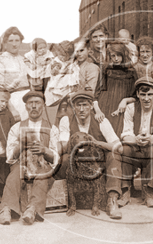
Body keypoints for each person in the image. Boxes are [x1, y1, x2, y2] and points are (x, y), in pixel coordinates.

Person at [55, 90, 123, 219]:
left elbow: (119, 148)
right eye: (78, 105)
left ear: (92, 106)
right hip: (76, 161)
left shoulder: (101, 121)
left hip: (97, 161)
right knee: (64, 159)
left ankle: (112, 200)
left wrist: (96, 143)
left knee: (114, 156)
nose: (81, 109)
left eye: (85, 105)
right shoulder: (66, 119)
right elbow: (63, 147)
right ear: (73, 107)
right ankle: (68, 199)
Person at [0, 91, 60, 225]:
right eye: (30, 103)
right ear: (25, 107)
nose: (33, 106)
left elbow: (56, 158)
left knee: (43, 174)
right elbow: (10, 157)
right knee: (15, 175)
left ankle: (32, 210)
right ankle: (7, 209)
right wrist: (21, 145)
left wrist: (44, 150)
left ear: (43, 106)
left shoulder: (52, 128)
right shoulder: (16, 127)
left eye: (37, 103)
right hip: (22, 164)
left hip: (43, 166)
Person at [120, 77, 153, 208]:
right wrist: (136, 140)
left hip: (151, 148)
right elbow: (126, 133)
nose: (146, 98)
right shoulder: (131, 108)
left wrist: (149, 139)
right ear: (137, 94)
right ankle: (125, 191)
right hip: (135, 148)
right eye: (142, 94)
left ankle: (149, 191)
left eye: (149, 94)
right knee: (125, 149)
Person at [94, 43, 137, 137]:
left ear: (124, 55)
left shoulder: (131, 72)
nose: (116, 58)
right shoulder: (105, 70)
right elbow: (96, 95)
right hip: (104, 108)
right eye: (113, 56)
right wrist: (97, 111)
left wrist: (125, 100)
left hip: (121, 110)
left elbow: (136, 97)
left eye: (119, 55)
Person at [0, 27, 30, 121]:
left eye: (17, 40)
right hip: (13, 100)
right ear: (5, 43)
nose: (14, 44)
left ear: (21, 42)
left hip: (29, 99)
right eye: (10, 40)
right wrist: (12, 108)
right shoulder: (0, 60)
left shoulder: (24, 60)